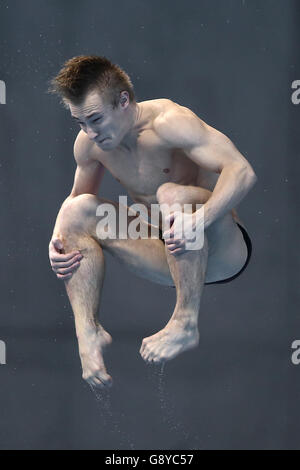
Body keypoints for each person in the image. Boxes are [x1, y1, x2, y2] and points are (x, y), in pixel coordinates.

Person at [48, 55, 257, 389]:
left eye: (96, 119)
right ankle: (87, 332)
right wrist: (57, 243)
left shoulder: (172, 122)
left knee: (171, 194)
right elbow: (76, 205)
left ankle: (186, 321)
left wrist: (200, 220)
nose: (90, 132)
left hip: (222, 249)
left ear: (124, 101)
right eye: (80, 123)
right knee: (73, 213)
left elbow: (242, 172)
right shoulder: (89, 145)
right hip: (171, 252)